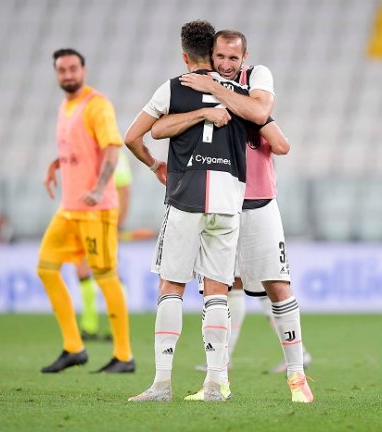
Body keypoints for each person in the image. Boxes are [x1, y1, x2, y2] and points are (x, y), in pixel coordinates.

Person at [124, 20, 286, 402]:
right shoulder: (242, 93)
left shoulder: (175, 87)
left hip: (186, 198)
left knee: (171, 287)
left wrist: (154, 165)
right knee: (218, 290)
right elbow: (277, 139)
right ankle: (215, 384)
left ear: (184, 55)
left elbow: (134, 136)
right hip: (229, 203)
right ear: (214, 53)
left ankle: (162, 383)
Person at [38, 48, 134, 373]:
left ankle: (124, 356)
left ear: (84, 69)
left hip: (97, 209)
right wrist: (57, 163)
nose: (67, 75)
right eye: (61, 70)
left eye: (72, 69)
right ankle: (74, 346)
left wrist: (98, 186)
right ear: (56, 73)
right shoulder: (66, 106)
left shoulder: (97, 105)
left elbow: (111, 148)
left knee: (105, 277)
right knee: (46, 268)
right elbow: (78, 150)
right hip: (69, 209)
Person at [78, 149, 133, 341]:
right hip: (91, 221)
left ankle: (114, 327)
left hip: (107, 222)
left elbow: (124, 191)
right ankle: (91, 326)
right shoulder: (91, 154)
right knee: (84, 271)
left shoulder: (114, 155)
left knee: (108, 273)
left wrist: (118, 225)